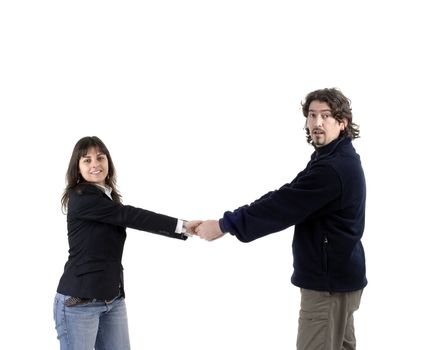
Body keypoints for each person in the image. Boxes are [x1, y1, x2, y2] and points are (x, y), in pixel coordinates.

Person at [195, 88, 367, 350]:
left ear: (342, 123)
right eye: (311, 115)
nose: (317, 123)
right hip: (341, 278)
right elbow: (288, 193)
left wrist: (224, 225)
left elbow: (281, 206)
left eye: (326, 116)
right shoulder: (332, 158)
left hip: (327, 286)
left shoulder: (333, 168)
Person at [54, 136, 200, 350]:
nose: (95, 164)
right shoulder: (81, 197)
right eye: (87, 160)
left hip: (111, 298)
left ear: (108, 162)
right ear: (77, 168)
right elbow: (130, 216)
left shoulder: (107, 197)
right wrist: (183, 226)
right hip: (79, 302)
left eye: (100, 158)